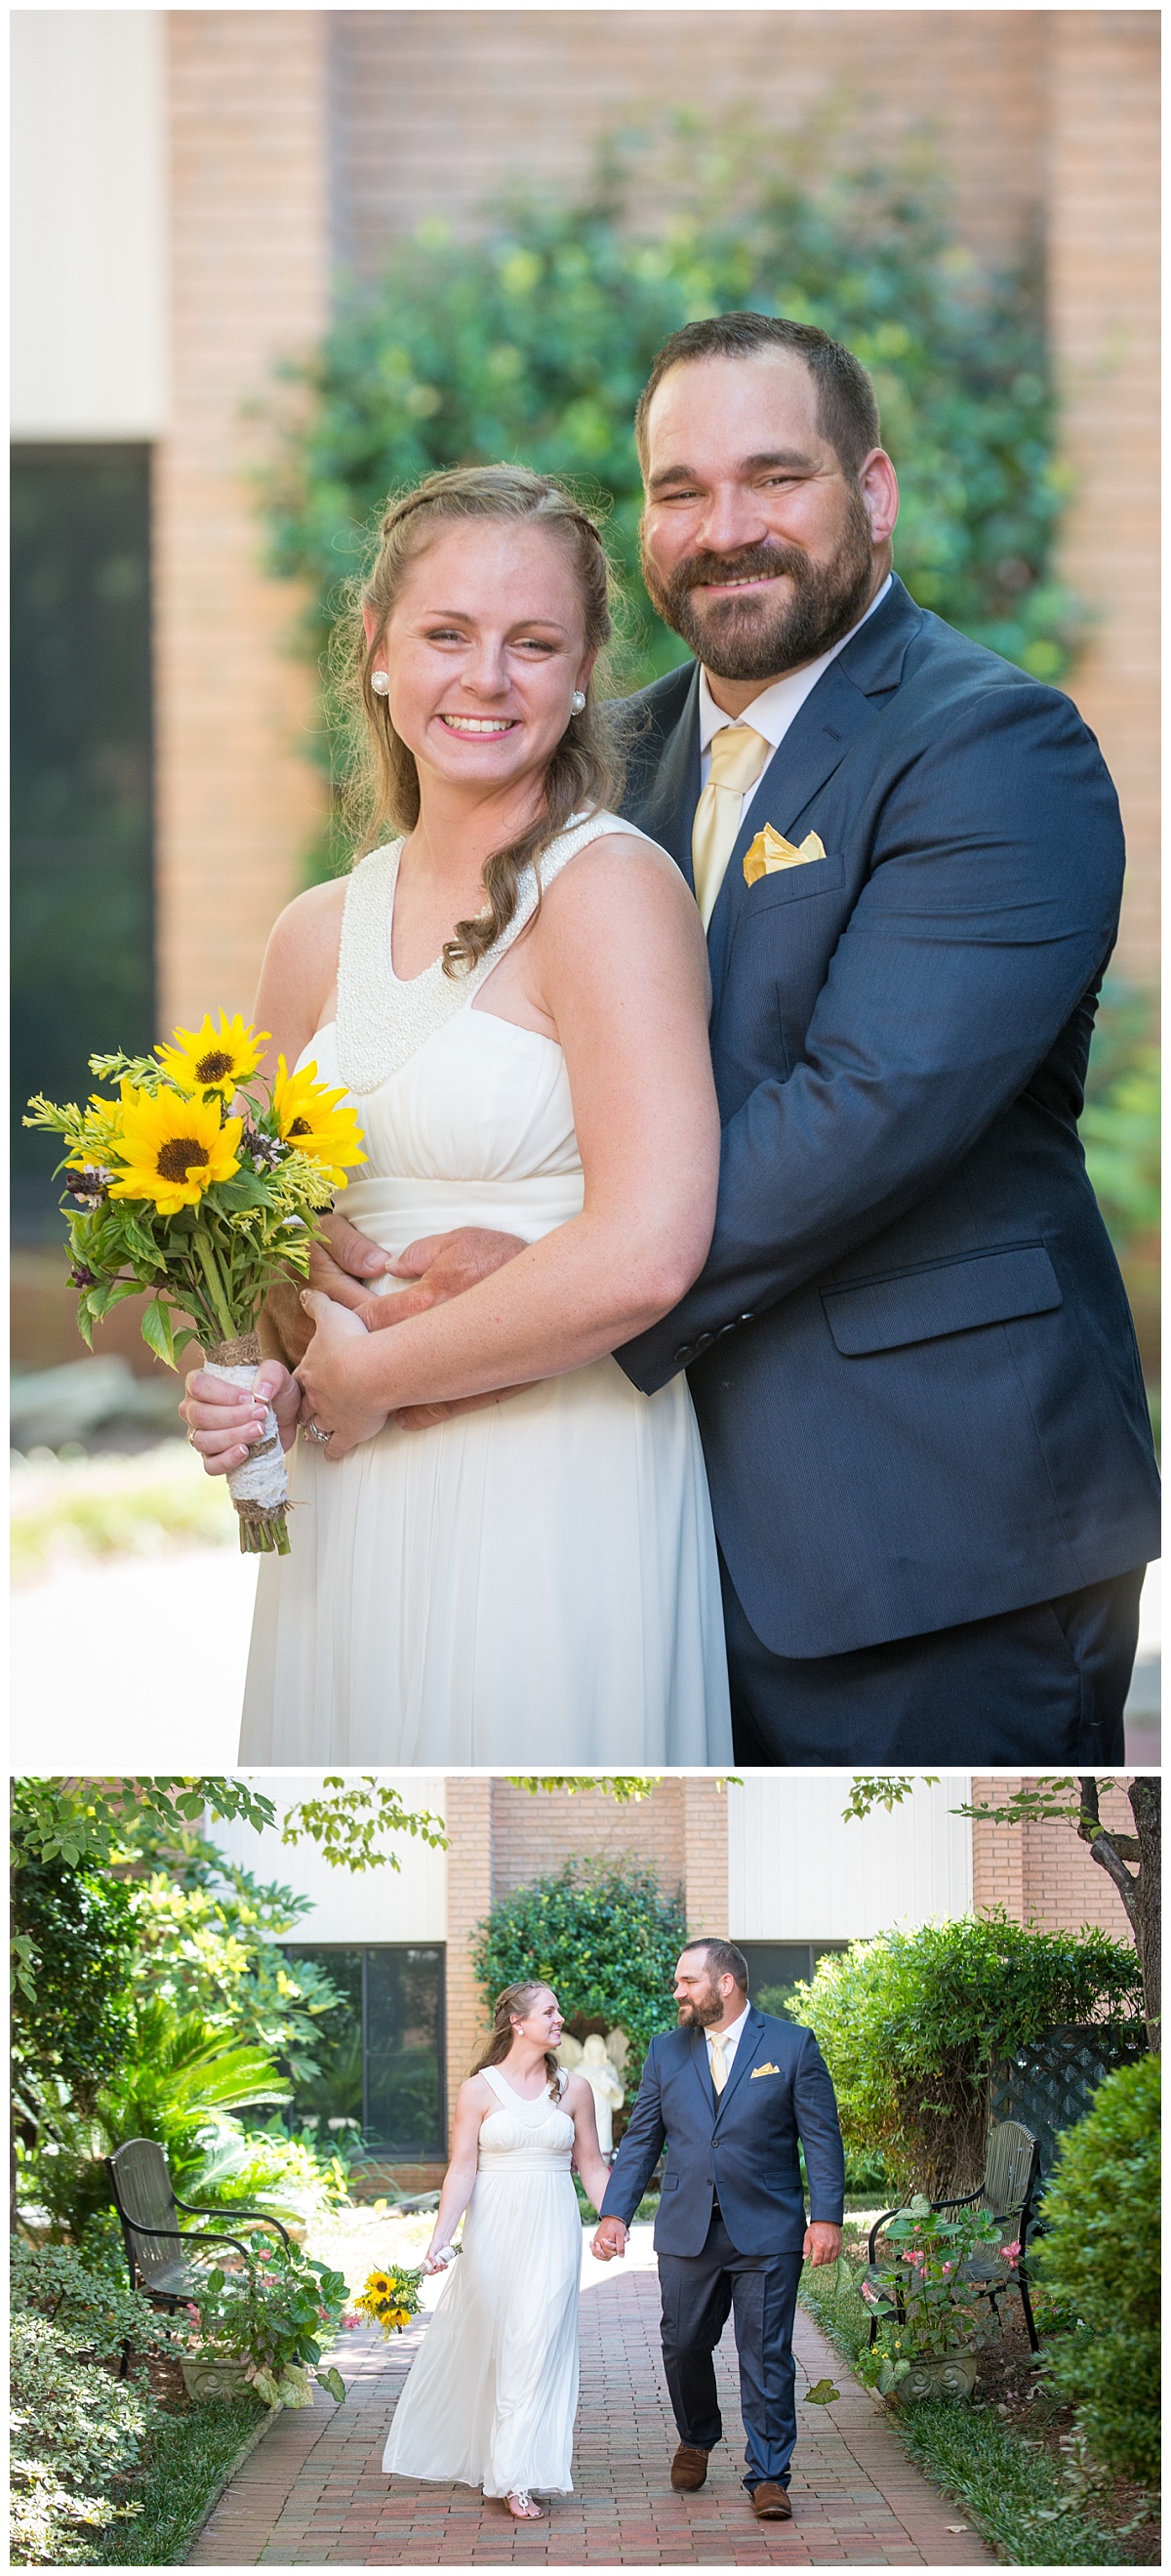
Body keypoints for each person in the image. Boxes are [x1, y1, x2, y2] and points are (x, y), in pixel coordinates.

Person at [305, 313, 1160, 1763]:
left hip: (923, 1528)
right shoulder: (601, 765)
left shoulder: (996, 748)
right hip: (634, 1522)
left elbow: (865, 1104)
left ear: (873, 494)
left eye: (778, 478)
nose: (728, 529)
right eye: (682, 488)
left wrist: (552, 1272)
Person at [181, 465, 731, 1759]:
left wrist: (370, 1371)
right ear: (374, 645)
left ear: (586, 666)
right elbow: (251, 1268)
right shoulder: (313, 935)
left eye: (532, 642)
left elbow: (651, 1246)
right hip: (347, 1511)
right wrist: (235, 1377)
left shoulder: (611, 891)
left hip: (551, 1482)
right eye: (447, 634)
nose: (487, 677)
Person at [591, 1939, 845, 2522]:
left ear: (724, 1983)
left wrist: (825, 2216)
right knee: (683, 2346)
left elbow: (822, 2139)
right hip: (688, 2231)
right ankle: (697, 2435)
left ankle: (769, 2476)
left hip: (769, 2230)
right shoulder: (665, 2052)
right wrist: (615, 2215)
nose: (677, 1992)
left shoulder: (790, 2045)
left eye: (687, 1981)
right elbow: (641, 2142)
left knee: (765, 2355)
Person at [383, 1981, 613, 2520]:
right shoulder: (478, 2091)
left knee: (535, 2342)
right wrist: (439, 2242)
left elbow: (594, 2167)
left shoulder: (575, 2090)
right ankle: (498, 2459)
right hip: (492, 2233)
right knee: (500, 2345)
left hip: (554, 2232)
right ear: (518, 2021)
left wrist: (613, 2219)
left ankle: (515, 2476)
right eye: (550, 2012)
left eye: (559, 2011)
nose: (560, 2020)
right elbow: (461, 2170)